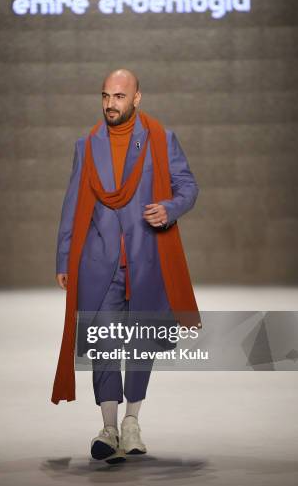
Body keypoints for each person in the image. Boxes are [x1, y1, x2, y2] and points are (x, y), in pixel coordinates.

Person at [54, 68, 200, 463]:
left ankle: (132, 422)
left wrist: (169, 209)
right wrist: (64, 256)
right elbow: (72, 205)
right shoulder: (87, 146)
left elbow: (189, 187)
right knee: (103, 342)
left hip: (146, 259)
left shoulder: (160, 140)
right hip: (99, 263)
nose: (110, 104)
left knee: (140, 343)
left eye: (119, 97)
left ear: (136, 98)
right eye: (105, 96)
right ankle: (108, 426)